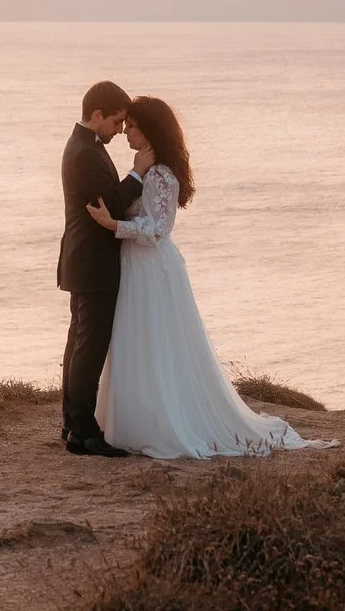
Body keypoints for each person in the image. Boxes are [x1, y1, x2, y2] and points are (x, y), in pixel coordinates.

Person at [87, 94, 314, 461]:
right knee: (135, 341)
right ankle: (130, 421)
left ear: (149, 131)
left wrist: (112, 224)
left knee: (157, 343)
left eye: (131, 127)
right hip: (135, 266)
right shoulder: (145, 166)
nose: (126, 133)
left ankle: (161, 421)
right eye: (125, 126)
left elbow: (158, 228)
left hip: (152, 268)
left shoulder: (161, 172)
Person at [57, 77, 139, 455]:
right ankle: (84, 433)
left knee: (79, 345)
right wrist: (138, 174)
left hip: (82, 260)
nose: (120, 130)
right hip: (93, 262)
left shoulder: (83, 145)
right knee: (88, 348)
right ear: (97, 114)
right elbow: (112, 206)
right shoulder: (85, 153)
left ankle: (73, 423)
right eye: (117, 122)